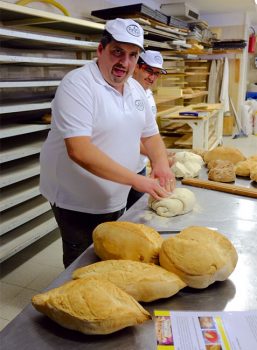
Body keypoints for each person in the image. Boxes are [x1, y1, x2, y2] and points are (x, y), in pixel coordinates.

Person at [40, 18, 175, 268]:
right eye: (117, 52)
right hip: (77, 200)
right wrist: (137, 180)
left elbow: (150, 134)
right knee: (83, 264)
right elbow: (79, 150)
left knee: (109, 256)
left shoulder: (135, 90)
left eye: (133, 55)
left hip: (116, 196)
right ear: (100, 50)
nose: (125, 63)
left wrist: (161, 162)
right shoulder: (78, 84)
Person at [127, 50, 175, 209]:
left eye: (157, 73)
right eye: (148, 70)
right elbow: (126, 138)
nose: (152, 77)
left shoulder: (147, 94)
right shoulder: (124, 93)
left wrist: (159, 155)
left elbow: (148, 134)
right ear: (136, 67)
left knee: (137, 215)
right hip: (122, 171)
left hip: (139, 167)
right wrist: (156, 156)